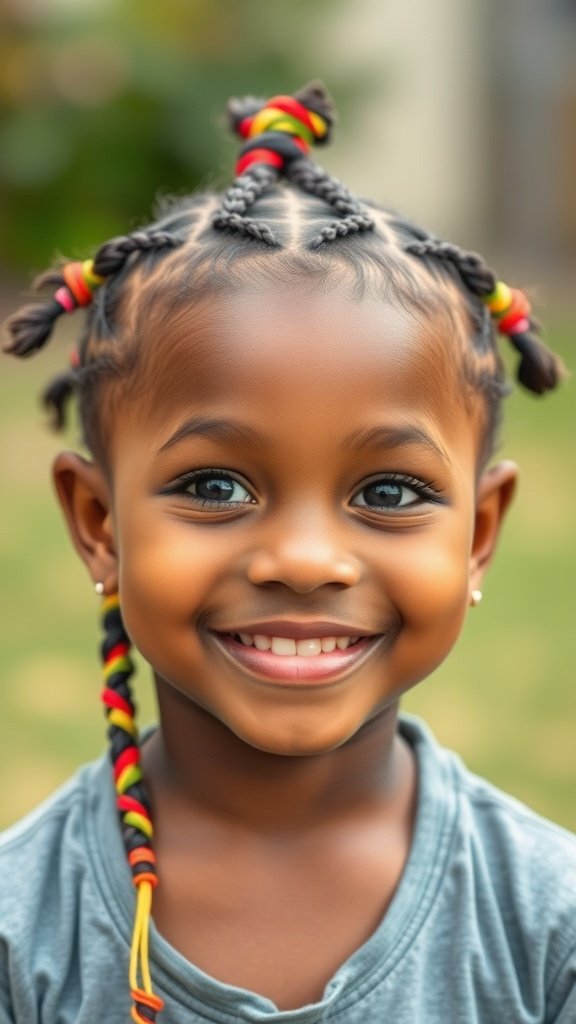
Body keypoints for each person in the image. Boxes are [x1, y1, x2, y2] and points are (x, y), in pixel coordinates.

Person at [0, 81, 574, 1024]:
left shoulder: (547, 929)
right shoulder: (27, 933)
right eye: (215, 488)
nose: (304, 560)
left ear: (478, 534)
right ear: (99, 523)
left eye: (388, 493)